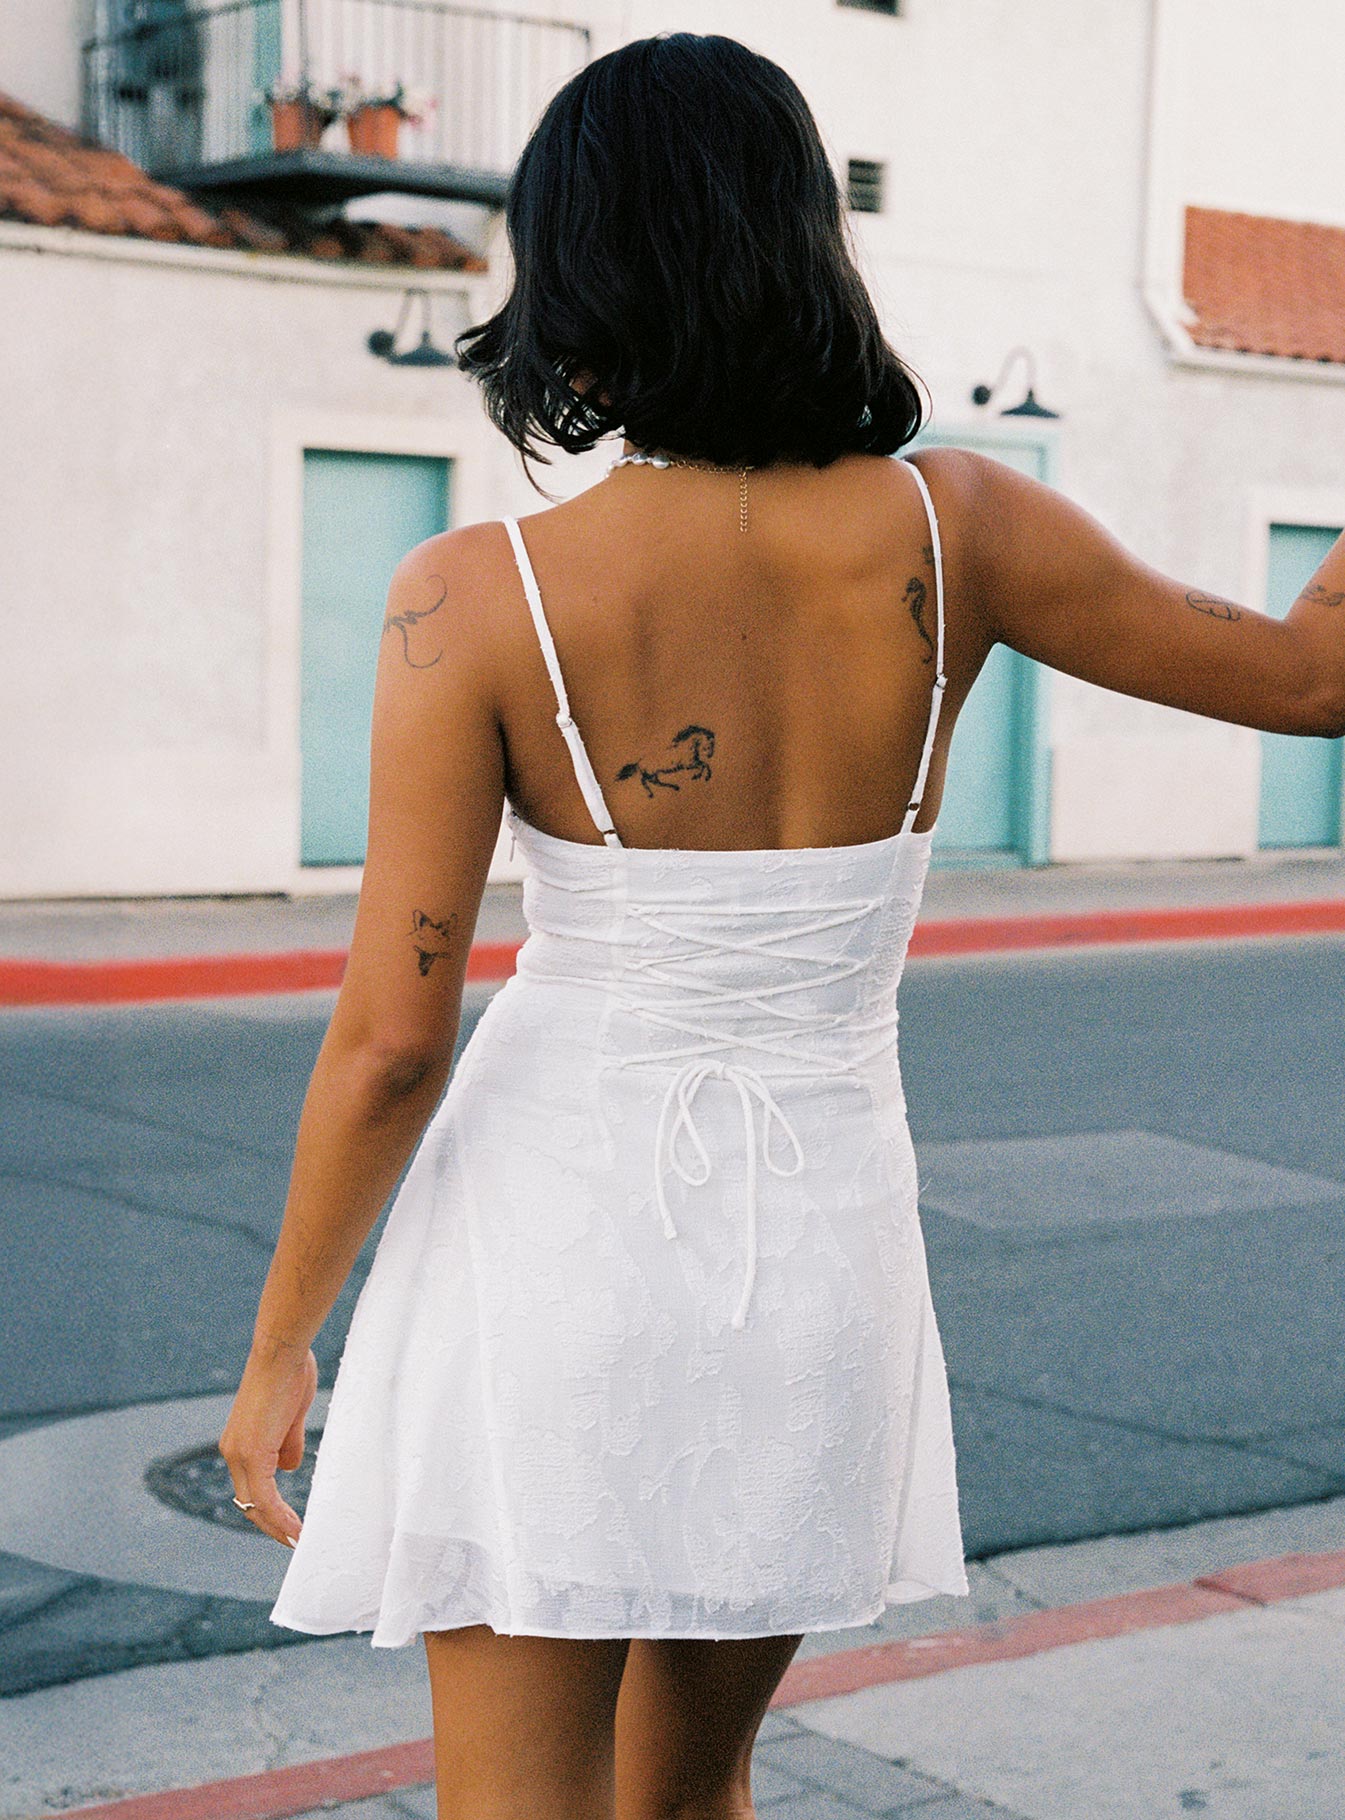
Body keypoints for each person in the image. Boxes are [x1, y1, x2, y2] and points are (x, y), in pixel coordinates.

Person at [219, 30, 1345, 1820]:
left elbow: (389, 1043)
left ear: (569, 262)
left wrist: (283, 1342)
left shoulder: (474, 598)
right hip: (814, 1253)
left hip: (552, 1251)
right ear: (802, 236)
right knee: (692, 1799)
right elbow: (1313, 680)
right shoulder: (959, 522)